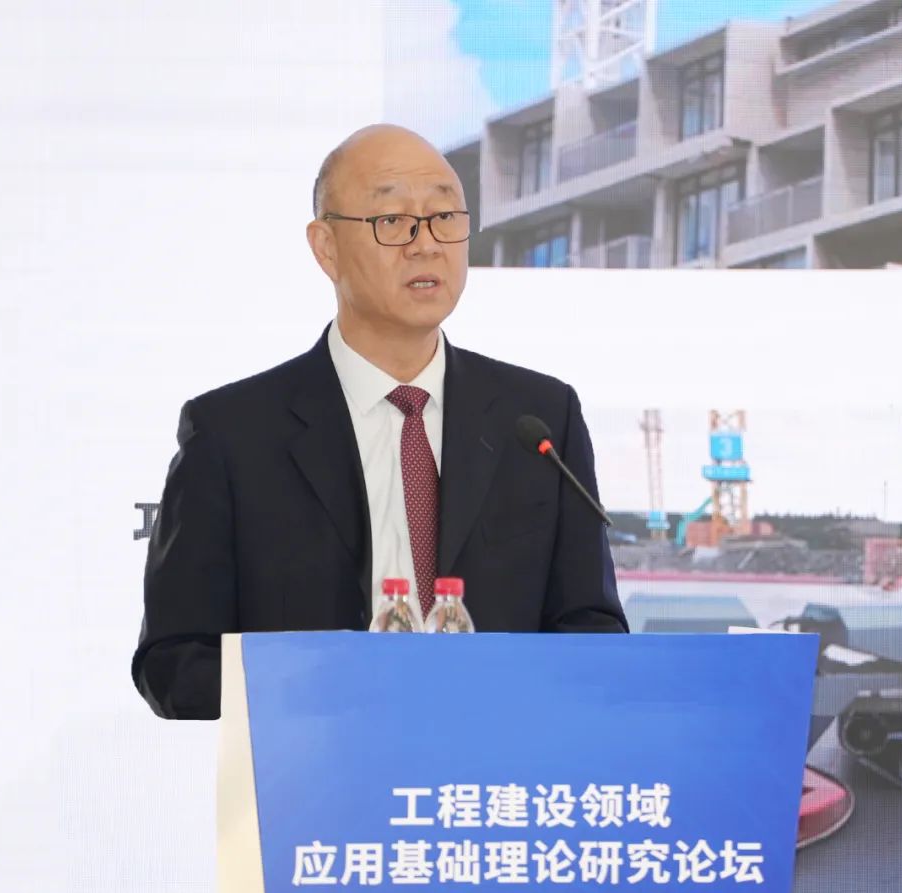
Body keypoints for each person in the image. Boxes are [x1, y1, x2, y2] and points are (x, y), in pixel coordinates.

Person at [132, 124, 627, 720]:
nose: (427, 245)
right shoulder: (233, 434)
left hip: (496, 763)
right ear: (326, 247)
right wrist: (323, 683)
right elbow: (173, 664)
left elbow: (592, 631)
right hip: (318, 766)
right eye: (393, 220)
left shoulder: (540, 419)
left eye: (445, 216)